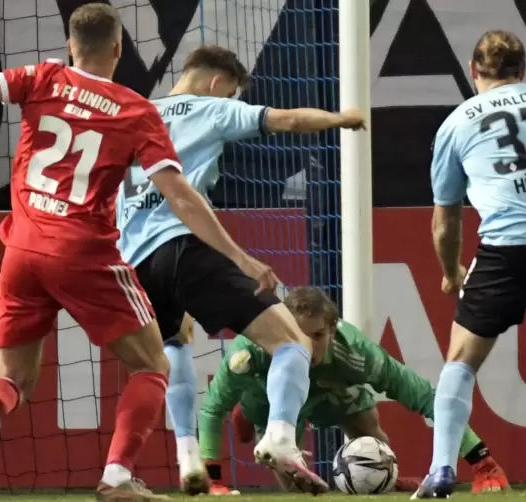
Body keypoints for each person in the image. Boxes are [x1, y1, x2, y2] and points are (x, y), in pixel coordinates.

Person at [0, 4, 279, 500]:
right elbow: (179, 195)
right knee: (153, 366)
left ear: (70, 46)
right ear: (118, 48)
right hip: (84, 251)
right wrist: (242, 257)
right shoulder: (136, 111)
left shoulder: (42, 80)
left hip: (22, 248)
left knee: (13, 376)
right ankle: (118, 477)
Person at [115, 44, 365, 494]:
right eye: (231, 93)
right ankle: (281, 438)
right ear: (216, 83)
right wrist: (340, 119)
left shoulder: (135, 113)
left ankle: (187, 454)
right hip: (186, 245)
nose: (230, 101)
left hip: (133, 260)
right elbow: (286, 119)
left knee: (169, 346)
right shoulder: (211, 108)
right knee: (291, 339)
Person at [195, 287, 509, 495]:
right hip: (269, 402)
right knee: (296, 488)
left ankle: (384, 478)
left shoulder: (357, 354)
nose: (308, 344)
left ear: (333, 330)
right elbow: (211, 409)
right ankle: (249, 414)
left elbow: (426, 398)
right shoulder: (248, 352)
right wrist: (214, 480)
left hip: (330, 394)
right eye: (298, 334)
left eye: (317, 335)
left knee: (372, 431)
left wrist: (483, 462)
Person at [414, 29, 526, 499]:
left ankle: (442, 471)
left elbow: (446, 223)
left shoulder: (456, 123)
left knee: (459, 362)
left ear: (472, 68)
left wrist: (452, 270)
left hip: (503, 251)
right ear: (522, 70)